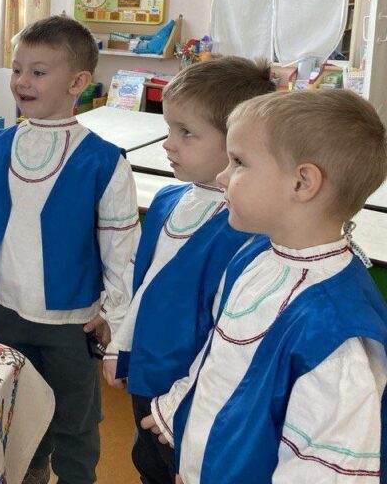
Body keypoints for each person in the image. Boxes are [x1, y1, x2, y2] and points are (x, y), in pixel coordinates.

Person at [142, 90, 387, 483]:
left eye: (238, 162)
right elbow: (218, 357)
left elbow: (320, 470)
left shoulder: (335, 334)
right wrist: (179, 412)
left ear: (302, 182)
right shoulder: (254, 255)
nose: (222, 176)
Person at [0, 15, 139, 484]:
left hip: (72, 320)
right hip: (7, 311)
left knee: (75, 420)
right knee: (18, 405)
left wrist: (116, 319)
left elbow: (121, 250)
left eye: (38, 72)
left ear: (78, 81)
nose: (21, 81)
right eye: (18, 69)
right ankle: (29, 472)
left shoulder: (104, 161)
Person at [103, 57, 276, 484]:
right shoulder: (166, 200)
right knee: (148, 463)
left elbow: (230, 334)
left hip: (195, 392)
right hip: (147, 372)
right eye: (169, 129)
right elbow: (142, 283)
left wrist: (184, 399)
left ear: (237, 142)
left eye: (186, 133)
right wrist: (118, 347)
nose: (168, 144)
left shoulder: (247, 230)